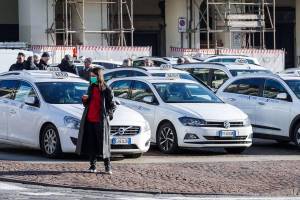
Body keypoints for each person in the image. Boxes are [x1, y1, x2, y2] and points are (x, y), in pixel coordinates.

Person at [76, 67, 116, 174]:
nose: (91, 78)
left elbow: (112, 105)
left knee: (104, 144)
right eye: (91, 76)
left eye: (93, 76)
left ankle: (108, 166)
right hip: (89, 119)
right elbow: (87, 103)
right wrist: (84, 100)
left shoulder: (106, 89)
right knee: (91, 143)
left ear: (99, 76)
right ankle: (92, 166)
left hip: (101, 121)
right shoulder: (91, 87)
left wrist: (108, 114)